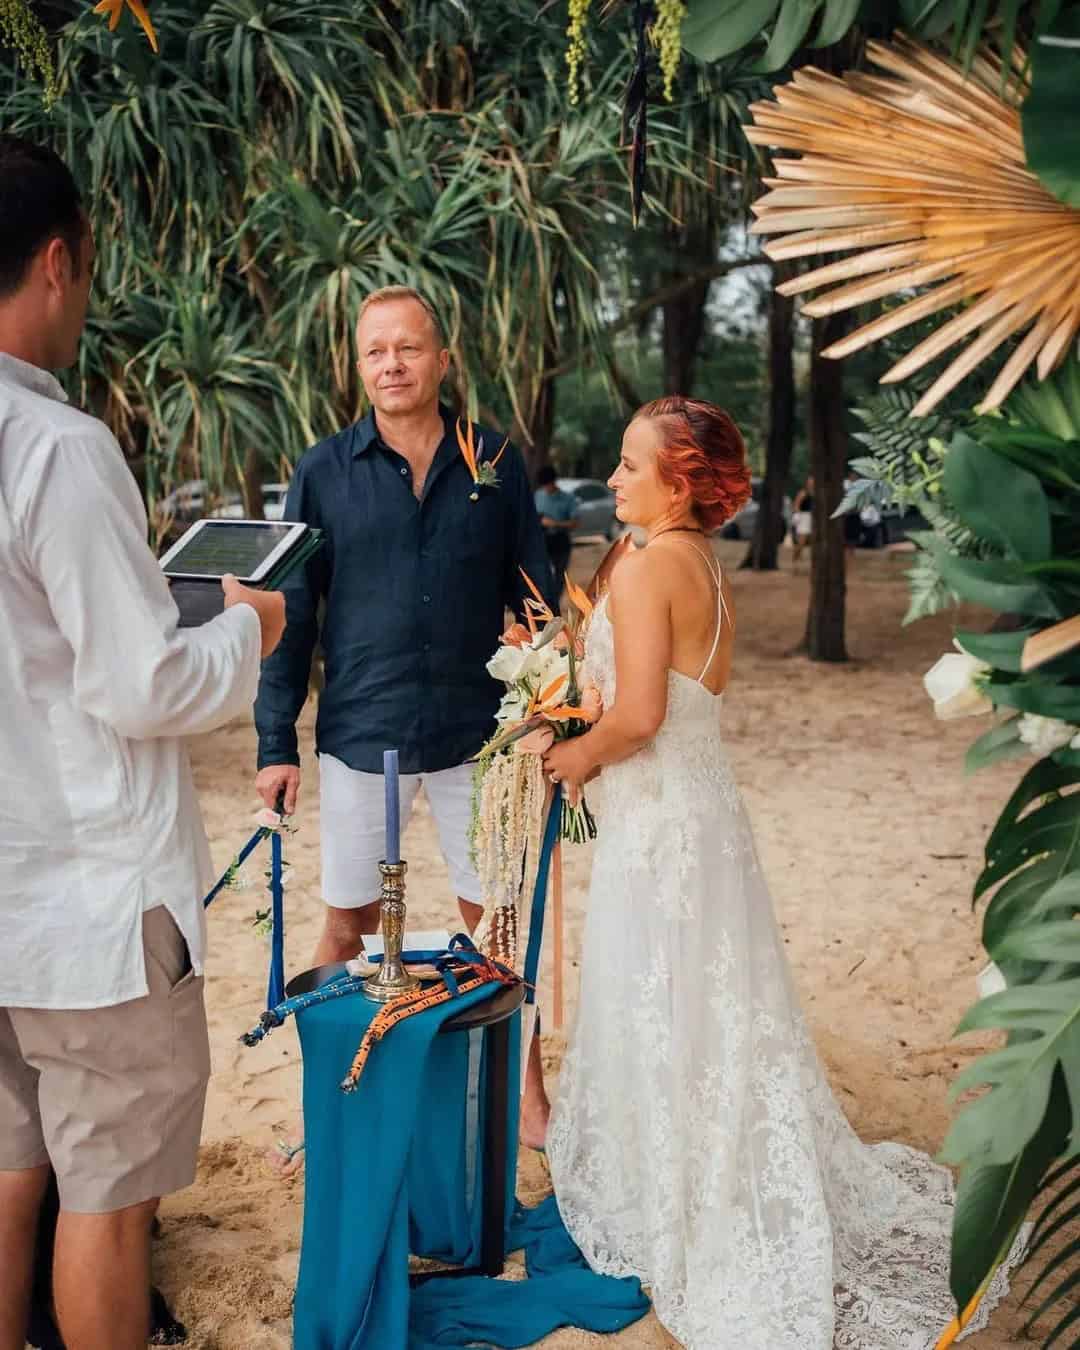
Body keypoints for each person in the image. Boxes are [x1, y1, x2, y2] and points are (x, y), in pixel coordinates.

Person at [539, 396, 1021, 1349]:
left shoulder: (643, 573)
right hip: (704, 817)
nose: (617, 478)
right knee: (712, 1005)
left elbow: (638, 719)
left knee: (665, 997)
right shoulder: (698, 565)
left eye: (633, 466)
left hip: (661, 821)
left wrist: (573, 756)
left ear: (679, 484)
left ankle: (682, 1195)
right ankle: (704, 1164)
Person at [0, 135, 285, 1350]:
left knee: (11, 1169)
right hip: (93, 906)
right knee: (109, 1196)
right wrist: (246, 628)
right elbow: (140, 684)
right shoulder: (58, 448)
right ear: (59, 259)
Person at [253, 285, 557, 1150]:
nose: (392, 364)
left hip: (473, 736)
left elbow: (532, 597)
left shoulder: (494, 463)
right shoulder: (322, 471)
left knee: (491, 919)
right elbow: (291, 619)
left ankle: (527, 1101)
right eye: (375, 351)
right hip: (361, 734)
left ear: (441, 359)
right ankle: (327, 1096)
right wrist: (277, 743)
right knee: (346, 919)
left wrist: (550, 709)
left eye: (408, 348)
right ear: (359, 367)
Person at [534, 463, 578, 596]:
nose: (546, 488)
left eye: (548, 485)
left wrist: (555, 524)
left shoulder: (568, 499)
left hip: (561, 540)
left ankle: (555, 603)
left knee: (560, 574)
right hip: (542, 540)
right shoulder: (538, 495)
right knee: (540, 573)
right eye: (544, 485)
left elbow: (575, 523)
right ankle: (543, 600)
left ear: (554, 482)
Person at [792, 472, 815, 566]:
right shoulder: (803, 493)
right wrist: (798, 515)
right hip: (804, 518)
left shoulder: (816, 493)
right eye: (810, 482)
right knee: (801, 542)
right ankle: (795, 559)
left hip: (813, 518)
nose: (811, 483)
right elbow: (796, 505)